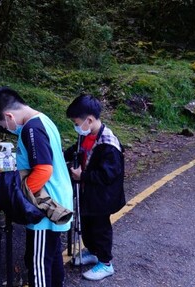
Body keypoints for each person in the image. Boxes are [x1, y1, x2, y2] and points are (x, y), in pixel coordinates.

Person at [0, 87, 73, 287]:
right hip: (56, 197)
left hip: (45, 203)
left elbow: (43, 170)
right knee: (51, 256)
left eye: (4, 125)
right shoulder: (42, 119)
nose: (8, 128)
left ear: (9, 115)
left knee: (38, 263)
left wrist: (21, 196)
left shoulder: (31, 129)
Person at [64, 94, 126, 281]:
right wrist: (62, 155)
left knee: (100, 229)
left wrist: (82, 175)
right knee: (87, 225)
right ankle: (93, 252)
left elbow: (108, 175)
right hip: (88, 193)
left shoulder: (108, 144)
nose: (76, 126)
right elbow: (77, 148)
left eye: (76, 122)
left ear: (89, 120)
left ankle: (106, 263)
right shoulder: (88, 134)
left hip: (103, 197)